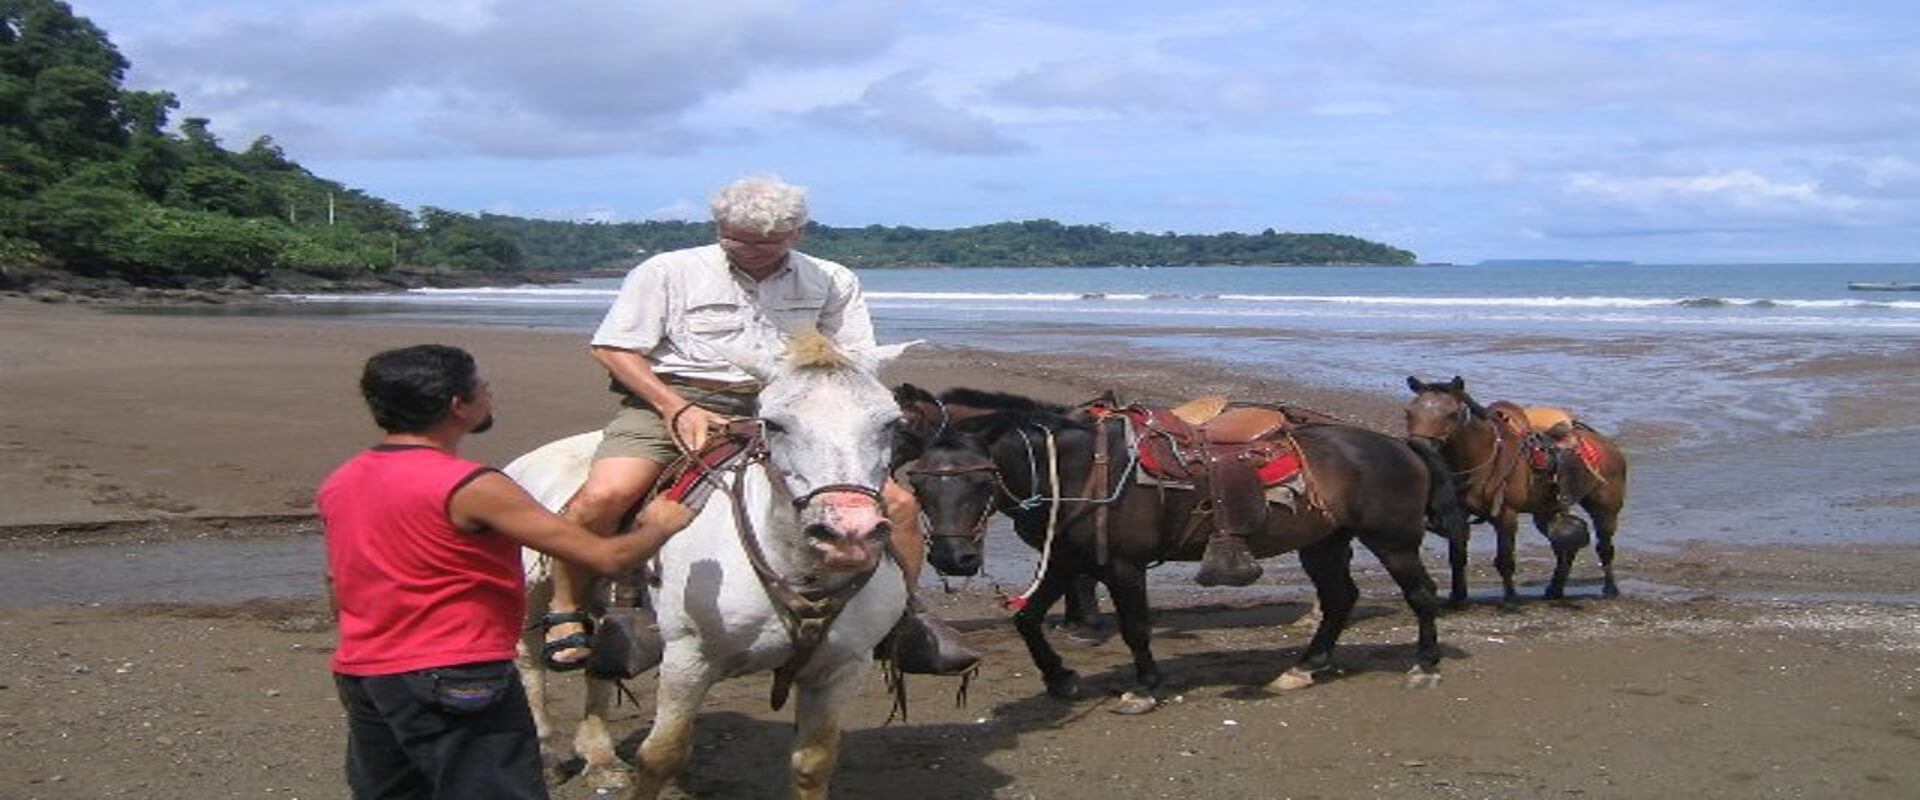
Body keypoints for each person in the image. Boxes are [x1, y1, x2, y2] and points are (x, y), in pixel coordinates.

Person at [540, 175, 978, 676]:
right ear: (719, 226)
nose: (752, 251)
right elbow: (614, 348)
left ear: (798, 232)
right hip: (677, 398)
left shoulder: (831, 279)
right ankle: (566, 608)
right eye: (738, 239)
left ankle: (901, 618)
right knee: (603, 497)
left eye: (768, 241)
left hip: (793, 408)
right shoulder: (667, 271)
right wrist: (674, 407)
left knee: (898, 505)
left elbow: (852, 361)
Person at [319, 344, 684, 800]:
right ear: (458, 405)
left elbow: (337, 582)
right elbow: (602, 557)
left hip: (364, 672)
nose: (488, 391)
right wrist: (657, 527)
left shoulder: (343, 479)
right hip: (457, 671)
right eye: (480, 385)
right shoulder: (473, 487)